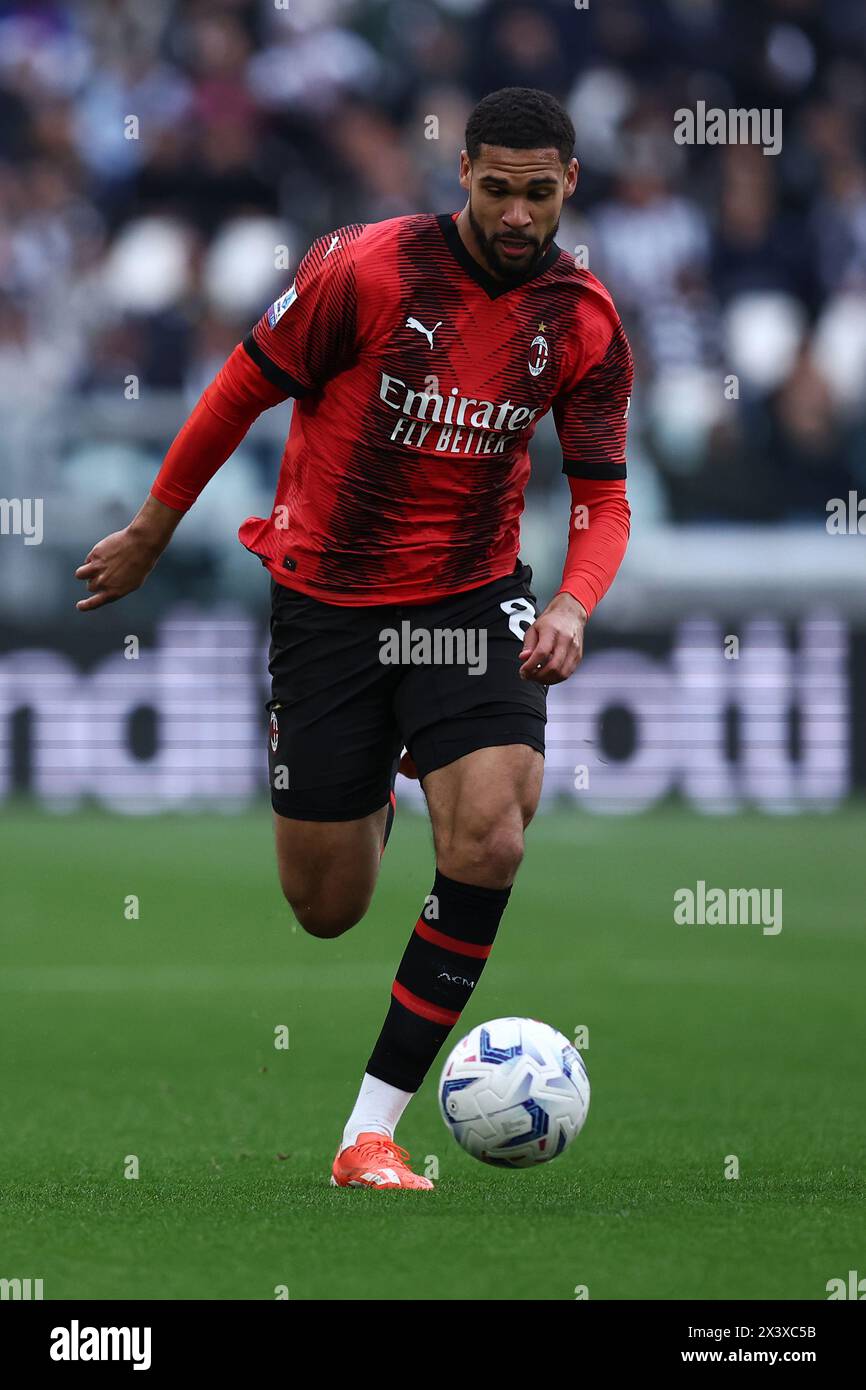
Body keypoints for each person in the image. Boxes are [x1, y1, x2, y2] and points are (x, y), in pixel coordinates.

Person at [75, 87, 633, 1191]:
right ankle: (374, 771)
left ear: (567, 185)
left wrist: (571, 602)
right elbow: (239, 389)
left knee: (491, 836)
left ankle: (366, 1131)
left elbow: (602, 493)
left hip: (471, 600)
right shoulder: (367, 271)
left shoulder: (582, 321)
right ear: (462, 173)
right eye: (495, 189)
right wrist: (152, 526)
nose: (516, 215)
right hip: (327, 600)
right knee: (325, 907)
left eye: (537, 194)